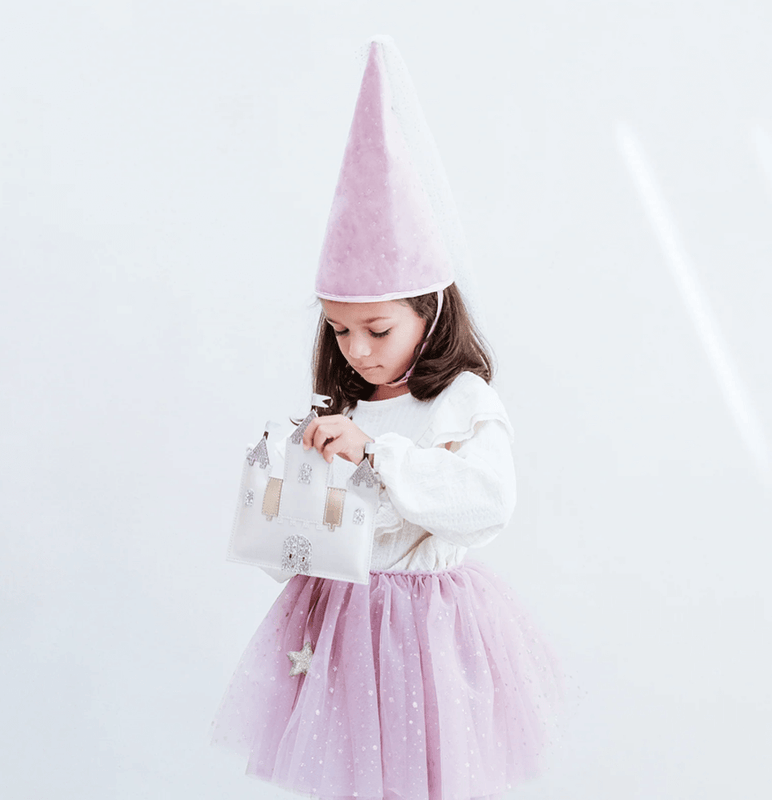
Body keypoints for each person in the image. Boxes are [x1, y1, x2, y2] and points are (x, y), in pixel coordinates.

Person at [210, 36, 563, 800]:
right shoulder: (345, 406)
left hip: (424, 629)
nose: (357, 349)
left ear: (429, 311)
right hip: (339, 625)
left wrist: (377, 454)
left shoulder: (461, 402)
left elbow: (487, 501)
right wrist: (289, 496)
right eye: (340, 330)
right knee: (348, 776)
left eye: (377, 328)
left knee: (423, 776)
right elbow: (308, 546)